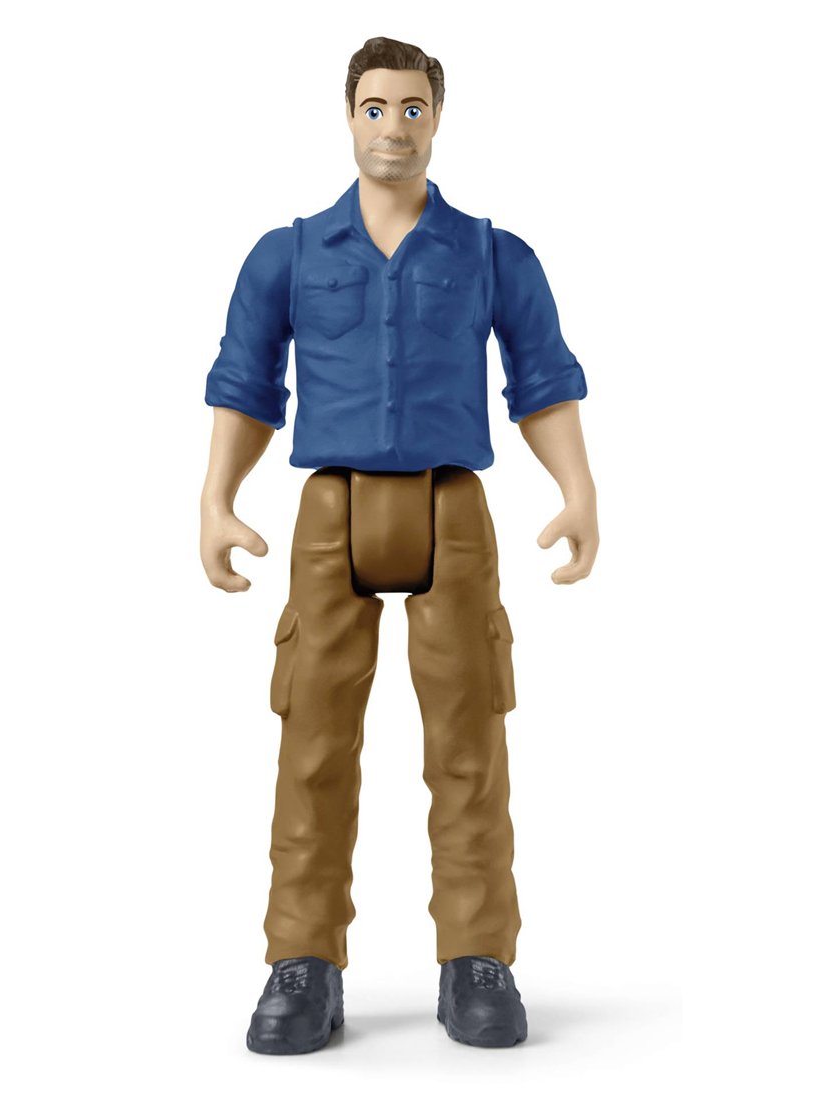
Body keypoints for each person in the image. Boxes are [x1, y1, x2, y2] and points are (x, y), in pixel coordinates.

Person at [199, 36, 599, 1053]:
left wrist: (577, 487)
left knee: (469, 740)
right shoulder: (289, 253)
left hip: (450, 509)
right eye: (375, 107)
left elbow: (541, 376)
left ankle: (478, 955)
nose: (393, 127)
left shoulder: (491, 253)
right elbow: (246, 381)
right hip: (328, 513)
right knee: (312, 740)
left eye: (412, 108)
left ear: (437, 118)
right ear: (348, 116)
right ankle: (302, 958)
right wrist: (217, 497)